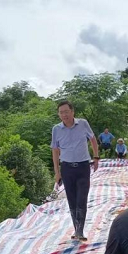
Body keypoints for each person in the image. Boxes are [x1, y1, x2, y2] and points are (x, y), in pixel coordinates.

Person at [50, 100, 100, 241]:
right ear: (59, 114)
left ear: (72, 112)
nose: (64, 115)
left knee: (82, 198)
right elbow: (55, 150)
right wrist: (57, 172)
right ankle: (76, 228)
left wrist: (96, 157)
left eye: (66, 111)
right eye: (61, 112)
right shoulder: (56, 129)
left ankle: (80, 230)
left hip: (83, 166)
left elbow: (93, 139)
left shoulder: (83, 123)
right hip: (66, 168)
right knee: (71, 199)